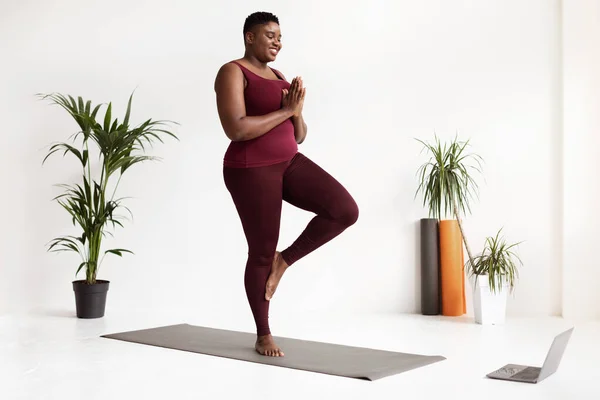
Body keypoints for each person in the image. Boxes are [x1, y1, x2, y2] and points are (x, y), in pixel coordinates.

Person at [214, 11, 359, 357]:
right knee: (261, 250)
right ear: (249, 37)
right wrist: (285, 110)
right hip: (251, 169)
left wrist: (297, 111)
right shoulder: (231, 71)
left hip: (289, 162)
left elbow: (301, 135)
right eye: (269, 35)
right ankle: (263, 334)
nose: (277, 41)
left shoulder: (279, 75)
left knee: (343, 210)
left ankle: (285, 260)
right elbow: (236, 129)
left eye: (280, 36)